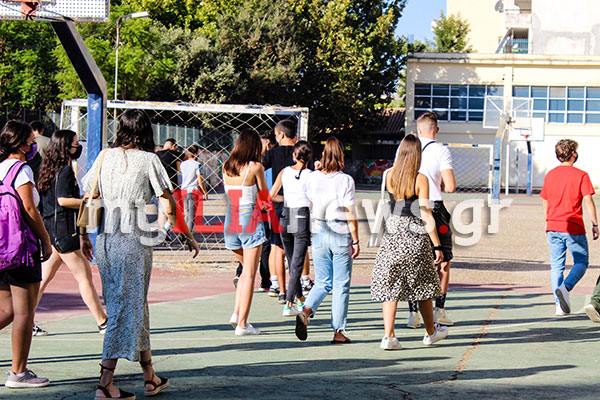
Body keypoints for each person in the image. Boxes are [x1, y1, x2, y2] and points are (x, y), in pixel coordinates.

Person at [82, 110, 199, 399]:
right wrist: (184, 233)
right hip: (134, 240)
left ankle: (150, 376)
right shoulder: (149, 160)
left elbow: (89, 194)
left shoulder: (104, 157)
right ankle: (105, 383)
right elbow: (166, 200)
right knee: (124, 308)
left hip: (106, 240)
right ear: (145, 131)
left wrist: (83, 234)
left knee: (133, 304)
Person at [371, 134, 448, 350]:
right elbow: (425, 213)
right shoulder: (420, 179)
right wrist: (437, 245)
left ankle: (389, 336)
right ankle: (430, 332)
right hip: (414, 232)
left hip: (393, 230)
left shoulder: (389, 175)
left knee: (390, 285)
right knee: (422, 285)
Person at [33, 130, 107, 337]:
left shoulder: (48, 170)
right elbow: (63, 200)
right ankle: (103, 322)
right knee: (84, 277)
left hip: (52, 230)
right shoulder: (64, 171)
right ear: (66, 147)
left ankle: (25, 318)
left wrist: (83, 235)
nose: (78, 146)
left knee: (42, 279)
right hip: (63, 231)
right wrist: (87, 200)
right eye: (75, 143)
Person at [0, 120, 52, 388]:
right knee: (24, 312)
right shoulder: (22, 170)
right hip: (21, 247)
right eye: (31, 142)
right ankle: (18, 373)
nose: (34, 146)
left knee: (5, 309)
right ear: (20, 145)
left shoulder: (0, 168)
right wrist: (45, 240)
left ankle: (19, 371)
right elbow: (30, 209)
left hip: (1, 245)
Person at [295, 137, 359, 344]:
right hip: (339, 228)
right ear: (341, 155)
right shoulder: (346, 180)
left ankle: (306, 311)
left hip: (319, 227)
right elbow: (350, 212)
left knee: (323, 280)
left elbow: (307, 201)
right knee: (341, 284)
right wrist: (356, 240)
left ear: (323, 155)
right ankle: (338, 331)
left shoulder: (312, 177)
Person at [401, 112, 456, 328]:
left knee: (413, 261)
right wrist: (438, 181)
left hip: (408, 206)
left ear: (418, 130)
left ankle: (413, 313)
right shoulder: (441, 150)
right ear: (437, 130)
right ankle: (439, 310)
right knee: (443, 260)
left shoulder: (405, 148)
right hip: (434, 206)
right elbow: (450, 186)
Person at [540, 139, 598, 316]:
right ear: (573, 154)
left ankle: (559, 306)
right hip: (573, 227)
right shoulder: (581, 175)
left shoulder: (550, 175)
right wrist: (595, 224)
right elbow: (588, 200)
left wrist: (547, 221)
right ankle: (566, 287)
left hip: (553, 225)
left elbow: (545, 200)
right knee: (581, 262)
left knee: (556, 266)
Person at [223, 129, 269, 335]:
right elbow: (265, 197)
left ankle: (236, 313)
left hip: (231, 218)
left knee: (244, 270)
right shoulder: (255, 167)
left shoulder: (226, 166)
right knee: (250, 273)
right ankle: (242, 323)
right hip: (248, 216)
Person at [270, 141, 313, 316]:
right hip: (301, 216)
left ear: (294, 155)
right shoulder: (311, 176)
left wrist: (286, 198)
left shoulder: (284, 172)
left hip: (286, 215)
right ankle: (288, 303)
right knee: (297, 263)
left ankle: (300, 298)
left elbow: (272, 195)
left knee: (292, 260)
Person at [234, 129, 277, 291]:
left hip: (240, 210)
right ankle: (256, 277)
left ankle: (247, 274)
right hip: (254, 208)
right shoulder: (257, 164)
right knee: (261, 243)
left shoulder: (235, 164)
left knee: (253, 244)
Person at [262, 120, 298, 303]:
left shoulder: (272, 153)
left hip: (278, 206)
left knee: (277, 248)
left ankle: (279, 286)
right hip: (298, 206)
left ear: (281, 135)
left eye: (276, 134)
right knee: (298, 248)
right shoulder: (301, 152)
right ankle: (301, 284)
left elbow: (258, 170)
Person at [180, 145, 208, 232]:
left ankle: (183, 232)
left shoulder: (182, 164)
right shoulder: (197, 165)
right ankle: (188, 234)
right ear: (195, 154)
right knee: (192, 215)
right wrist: (205, 192)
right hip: (193, 190)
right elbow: (200, 180)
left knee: (186, 213)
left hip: (184, 190)